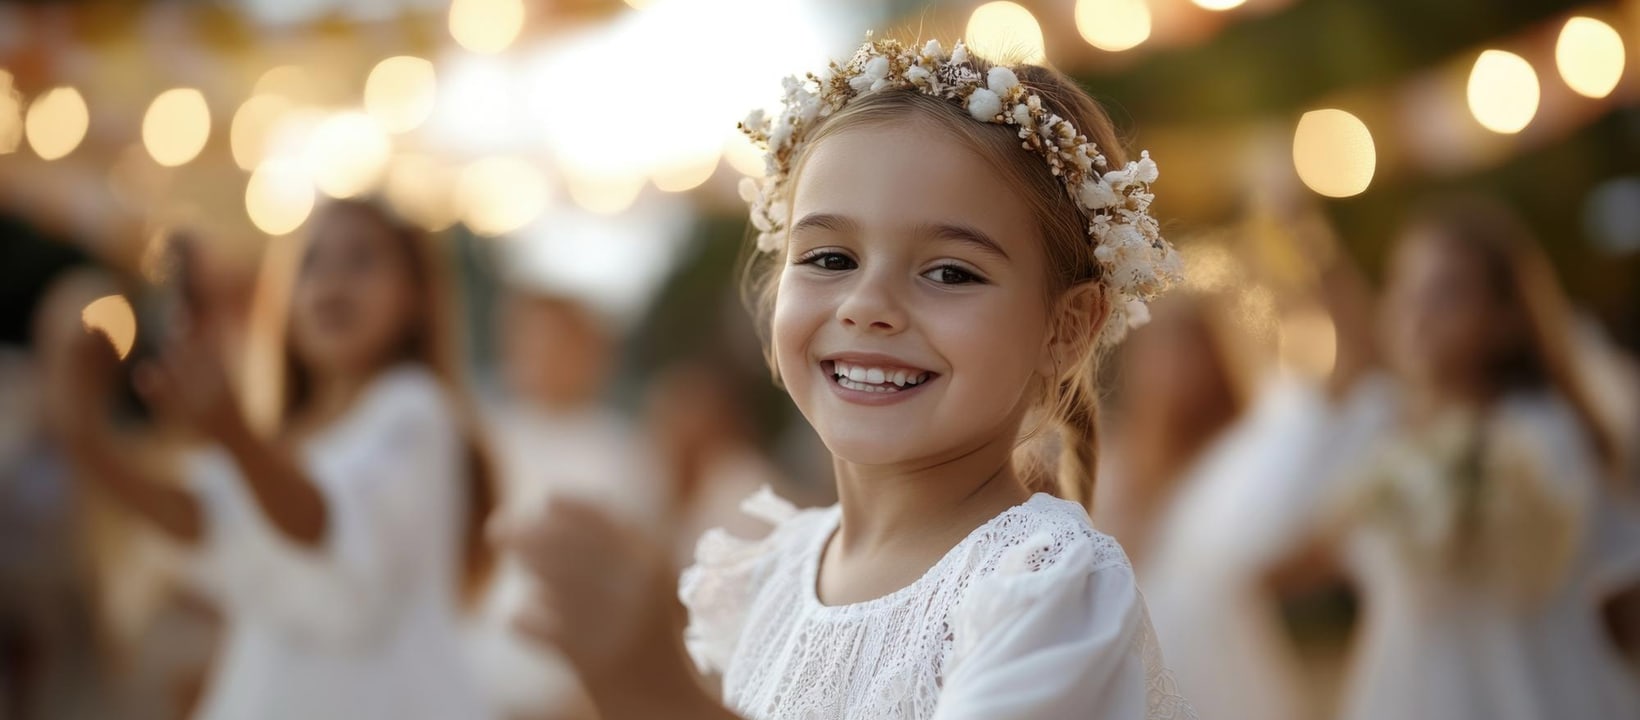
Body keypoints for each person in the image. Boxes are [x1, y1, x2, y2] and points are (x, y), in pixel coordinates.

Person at [498, 37, 1196, 719]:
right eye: (830, 259)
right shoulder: (764, 577)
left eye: (950, 272)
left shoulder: (1047, 588)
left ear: (1066, 326)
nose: (867, 306)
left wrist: (654, 690)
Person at [39, 199, 496, 720]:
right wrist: (85, 434)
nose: (333, 281)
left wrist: (235, 437)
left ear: (417, 294)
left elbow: (331, 522)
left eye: (362, 260)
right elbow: (201, 518)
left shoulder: (416, 412)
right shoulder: (284, 440)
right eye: (312, 264)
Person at [1324, 196, 1640, 720]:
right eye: (1406, 286)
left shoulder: (1543, 433)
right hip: (1406, 685)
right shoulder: (1376, 423)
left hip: (1523, 686)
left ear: (1506, 315)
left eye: (1447, 293)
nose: (1418, 311)